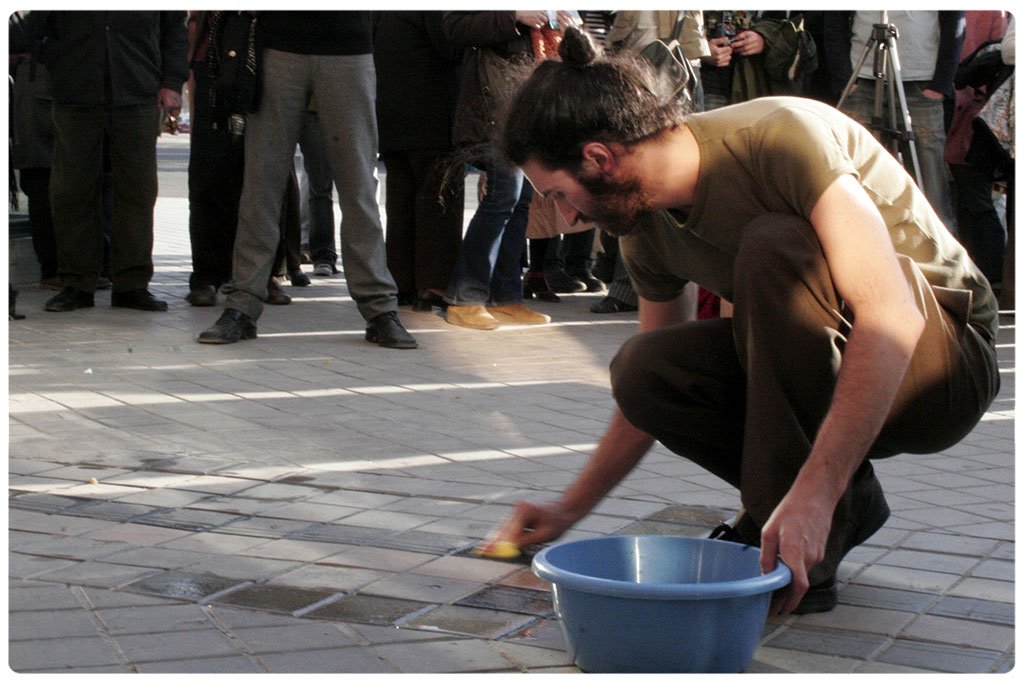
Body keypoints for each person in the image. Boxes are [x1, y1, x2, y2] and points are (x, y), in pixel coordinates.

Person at [494, 27, 999, 615]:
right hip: (847, 368)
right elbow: (647, 400)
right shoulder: (644, 222)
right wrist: (569, 508)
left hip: (943, 364)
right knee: (643, 370)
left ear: (599, 159)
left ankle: (800, 534)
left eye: (556, 193)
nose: (560, 214)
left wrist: (814, 490)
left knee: (774, 244)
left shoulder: (779, 139)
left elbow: (891, 316)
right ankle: (833, 512)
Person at [197, 11, 417, 349]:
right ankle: (241, 305)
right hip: (278, 44)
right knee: (261, 185)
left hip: (349, 46)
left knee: (358, 187)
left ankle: (380, 309)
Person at [35, 11, 188, 313]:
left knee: (138, 190)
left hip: (138, 87)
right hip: (75, 88)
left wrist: (171, 80)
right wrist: (56, 60)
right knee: (72, 189)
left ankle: (132, 284)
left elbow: (174, 29)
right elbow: (34, 21)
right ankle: (77, 283)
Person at [439, 10, 561, 331]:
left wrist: (559, 20)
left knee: (520, 201)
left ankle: (505, 295)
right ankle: (464, 297)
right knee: (503, 198)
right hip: (492, 106)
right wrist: (515, 15)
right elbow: (455, 26)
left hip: (525, 102)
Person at [825, 11, 963, 232]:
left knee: (931, 190)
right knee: (856, 177)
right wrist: (845, 79)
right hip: (864, 80)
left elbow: (955, 23)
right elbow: (834, 20)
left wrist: (940, 85)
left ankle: (942, 259)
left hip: (921, 84)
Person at [374, 11, 464, 311]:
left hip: (392, 113)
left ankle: (401, 284)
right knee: (438, 204)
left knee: (400, 205)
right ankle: (433, 286)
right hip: (431, 114)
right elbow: (450, 45)